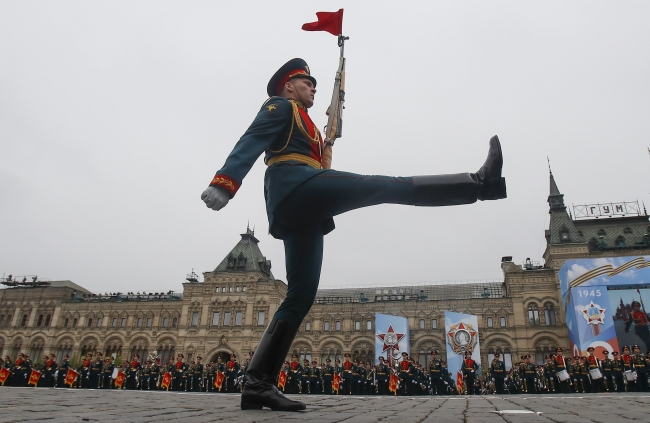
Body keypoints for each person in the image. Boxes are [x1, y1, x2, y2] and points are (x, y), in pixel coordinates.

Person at [202, 58, 506, 411]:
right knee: (379, 186)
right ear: (289, 86)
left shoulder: (310, 126)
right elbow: (252, 139)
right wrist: (225, 181)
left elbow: (313, 161)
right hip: (295, 188)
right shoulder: (281, 106)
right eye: (307, 82)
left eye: (316, 83)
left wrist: (325, 146)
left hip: (305, 203)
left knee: (300, 296)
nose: (313, 87)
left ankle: (257, 384)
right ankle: (479, 184)